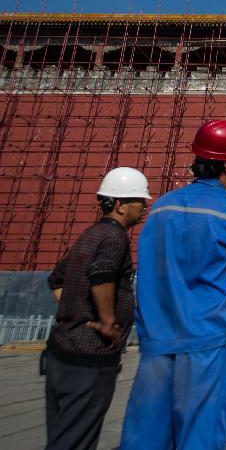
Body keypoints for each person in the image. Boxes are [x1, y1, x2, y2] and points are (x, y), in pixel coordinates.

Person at [120, 120, 226, 450]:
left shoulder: (161, 208)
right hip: (208, 340)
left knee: (145, 436)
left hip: (156, 340)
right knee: (202, 434)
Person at [44, 167, 152, 450]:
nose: (144, 208)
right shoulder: (114, 238)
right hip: (88, 358)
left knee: (62, 433)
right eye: (140, 202)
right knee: (77, 436)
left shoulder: (90, 234)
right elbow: (102, 275)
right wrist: (106, 322)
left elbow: (56, 279)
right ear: (120, 204)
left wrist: (73, 312)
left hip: (62, 348)